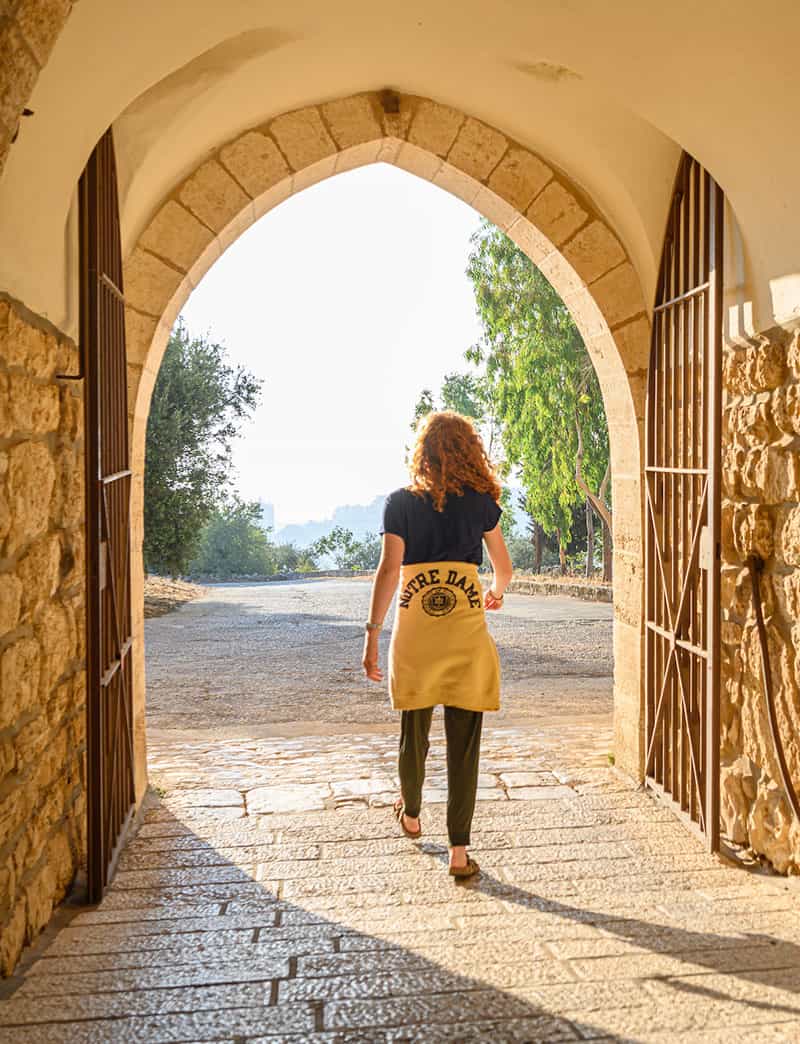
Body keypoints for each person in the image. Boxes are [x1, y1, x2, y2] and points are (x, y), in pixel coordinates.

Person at [362, 411, 512, 879]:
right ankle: (459, 853)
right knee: (464, 748)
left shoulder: (399, 503)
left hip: (416, 635)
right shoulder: (482, 503)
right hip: (465, 636)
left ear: (422, 452)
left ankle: (410, 814)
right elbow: (504, 568)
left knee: (414, 732)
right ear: (469, 450)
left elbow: (389, 570)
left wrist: (372, 633)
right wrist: (495, 593)